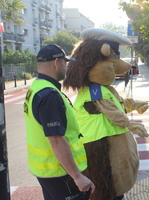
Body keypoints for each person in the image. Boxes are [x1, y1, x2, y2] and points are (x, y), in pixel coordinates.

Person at [23, 44, 95, 200]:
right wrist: (77, 176)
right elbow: (56, 140)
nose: (67, 67)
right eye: (65, 62)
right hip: (61, 173)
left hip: (48, 171)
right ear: (57, 63)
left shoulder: (36, 87)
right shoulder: (49, 95)